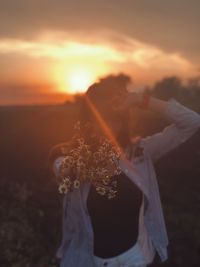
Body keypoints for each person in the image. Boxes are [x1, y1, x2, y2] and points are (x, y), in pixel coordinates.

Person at [48, 84, 200, 267]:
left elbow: (192, 122)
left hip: (137, 258)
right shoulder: (68, 154)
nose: (107, 127)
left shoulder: (139, 153)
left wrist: (139, 99)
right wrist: (87, 165)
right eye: (100, 118)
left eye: (114, 119)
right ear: (87, 120)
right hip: (91, 261)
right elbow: (63, 169)